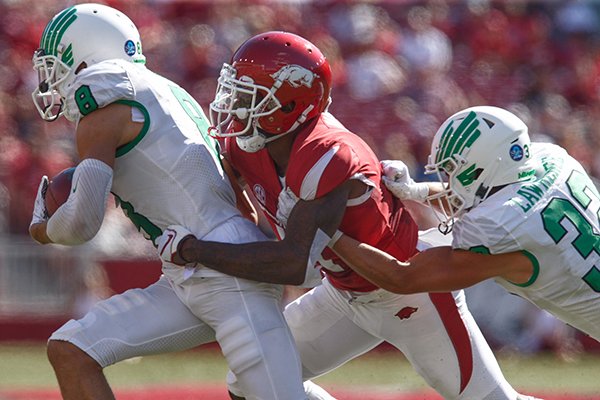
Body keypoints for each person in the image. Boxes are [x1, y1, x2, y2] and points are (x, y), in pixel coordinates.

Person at [158, 31, 536, 400]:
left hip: (410, 293)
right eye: (236, 89)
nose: (235, 103)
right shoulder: (248, 141)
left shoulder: (327, 153)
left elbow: (294, 263)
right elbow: (244, 202)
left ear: (290, 104)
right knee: (252, 382)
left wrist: (195, 250)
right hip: (344, 293)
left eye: (249, 94)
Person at [28, 5, 329, 400]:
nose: (51, 79)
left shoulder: (106, 105)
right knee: (72, 349)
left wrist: (43, 227)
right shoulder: (162, 91)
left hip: (225, 272)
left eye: (55, 64)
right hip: (189, 269)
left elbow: (81, 223)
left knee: (281, 397)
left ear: (82, 54)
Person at [329, 105, 600, 342]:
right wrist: (415, 190)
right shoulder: (552, 159)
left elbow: (403, 277)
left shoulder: (498, 226)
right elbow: (491, 197)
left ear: (487, 164)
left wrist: (328, 231)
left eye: (456, 170)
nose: (450, 180)